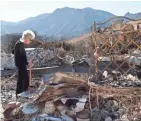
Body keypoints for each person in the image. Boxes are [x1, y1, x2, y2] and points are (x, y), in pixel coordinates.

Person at [12, 30, 35, 97]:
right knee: (25, 80)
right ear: (27, 38)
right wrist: (27, 63)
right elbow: (20, 57)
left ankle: (19, 95)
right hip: (21, 64)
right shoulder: (20, 44)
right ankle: (22, 94)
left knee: (21, 79)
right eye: (30, 40)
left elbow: (13, 51)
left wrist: (15, 52)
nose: (30, 41)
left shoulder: (19, 43)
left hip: (20, 64)